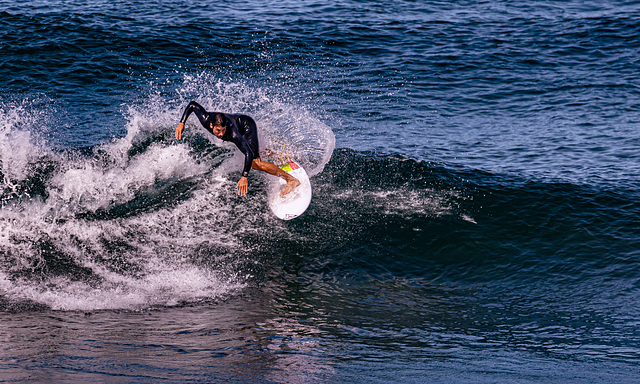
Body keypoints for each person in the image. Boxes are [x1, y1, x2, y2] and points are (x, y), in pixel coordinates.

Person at [175, 101, 300, 196]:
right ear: (211, 125)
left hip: (246, 125)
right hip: (240, 122)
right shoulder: (206, 119)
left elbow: (248, 154)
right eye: (218, 131)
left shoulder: (233, 134)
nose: (221, 134)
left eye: (223, 130)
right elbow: (192, 105)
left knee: (256, 163)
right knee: (255, 150)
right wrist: (182, 123)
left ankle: (291, 180)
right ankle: (280, 156)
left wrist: (244, 176)